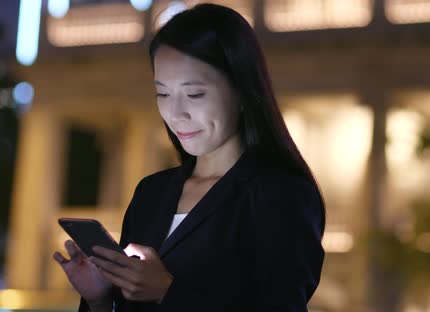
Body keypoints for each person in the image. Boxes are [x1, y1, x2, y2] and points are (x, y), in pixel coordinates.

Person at [52, 4, 326, 311]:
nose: (176, 114)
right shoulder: (151, 193)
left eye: (194, 94)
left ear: (242, 91)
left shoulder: (281, 194)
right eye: (163, 94)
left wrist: (168, 291)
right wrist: (100, 297)